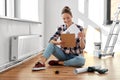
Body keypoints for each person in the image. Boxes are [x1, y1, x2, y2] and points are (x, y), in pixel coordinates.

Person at [32, 6, 86, 71]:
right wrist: (58, 43)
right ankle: (41, 63)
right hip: (63, 55)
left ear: (71, 16)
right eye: (64, 19)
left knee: (82, 60)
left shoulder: (80, 28)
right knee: (51, 44)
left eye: (68, 18)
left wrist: (82, 38)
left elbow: (82, 47)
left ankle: (60, 63)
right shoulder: (61, 28)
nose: (66, 20)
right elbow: (51, 40)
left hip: (74, 56)